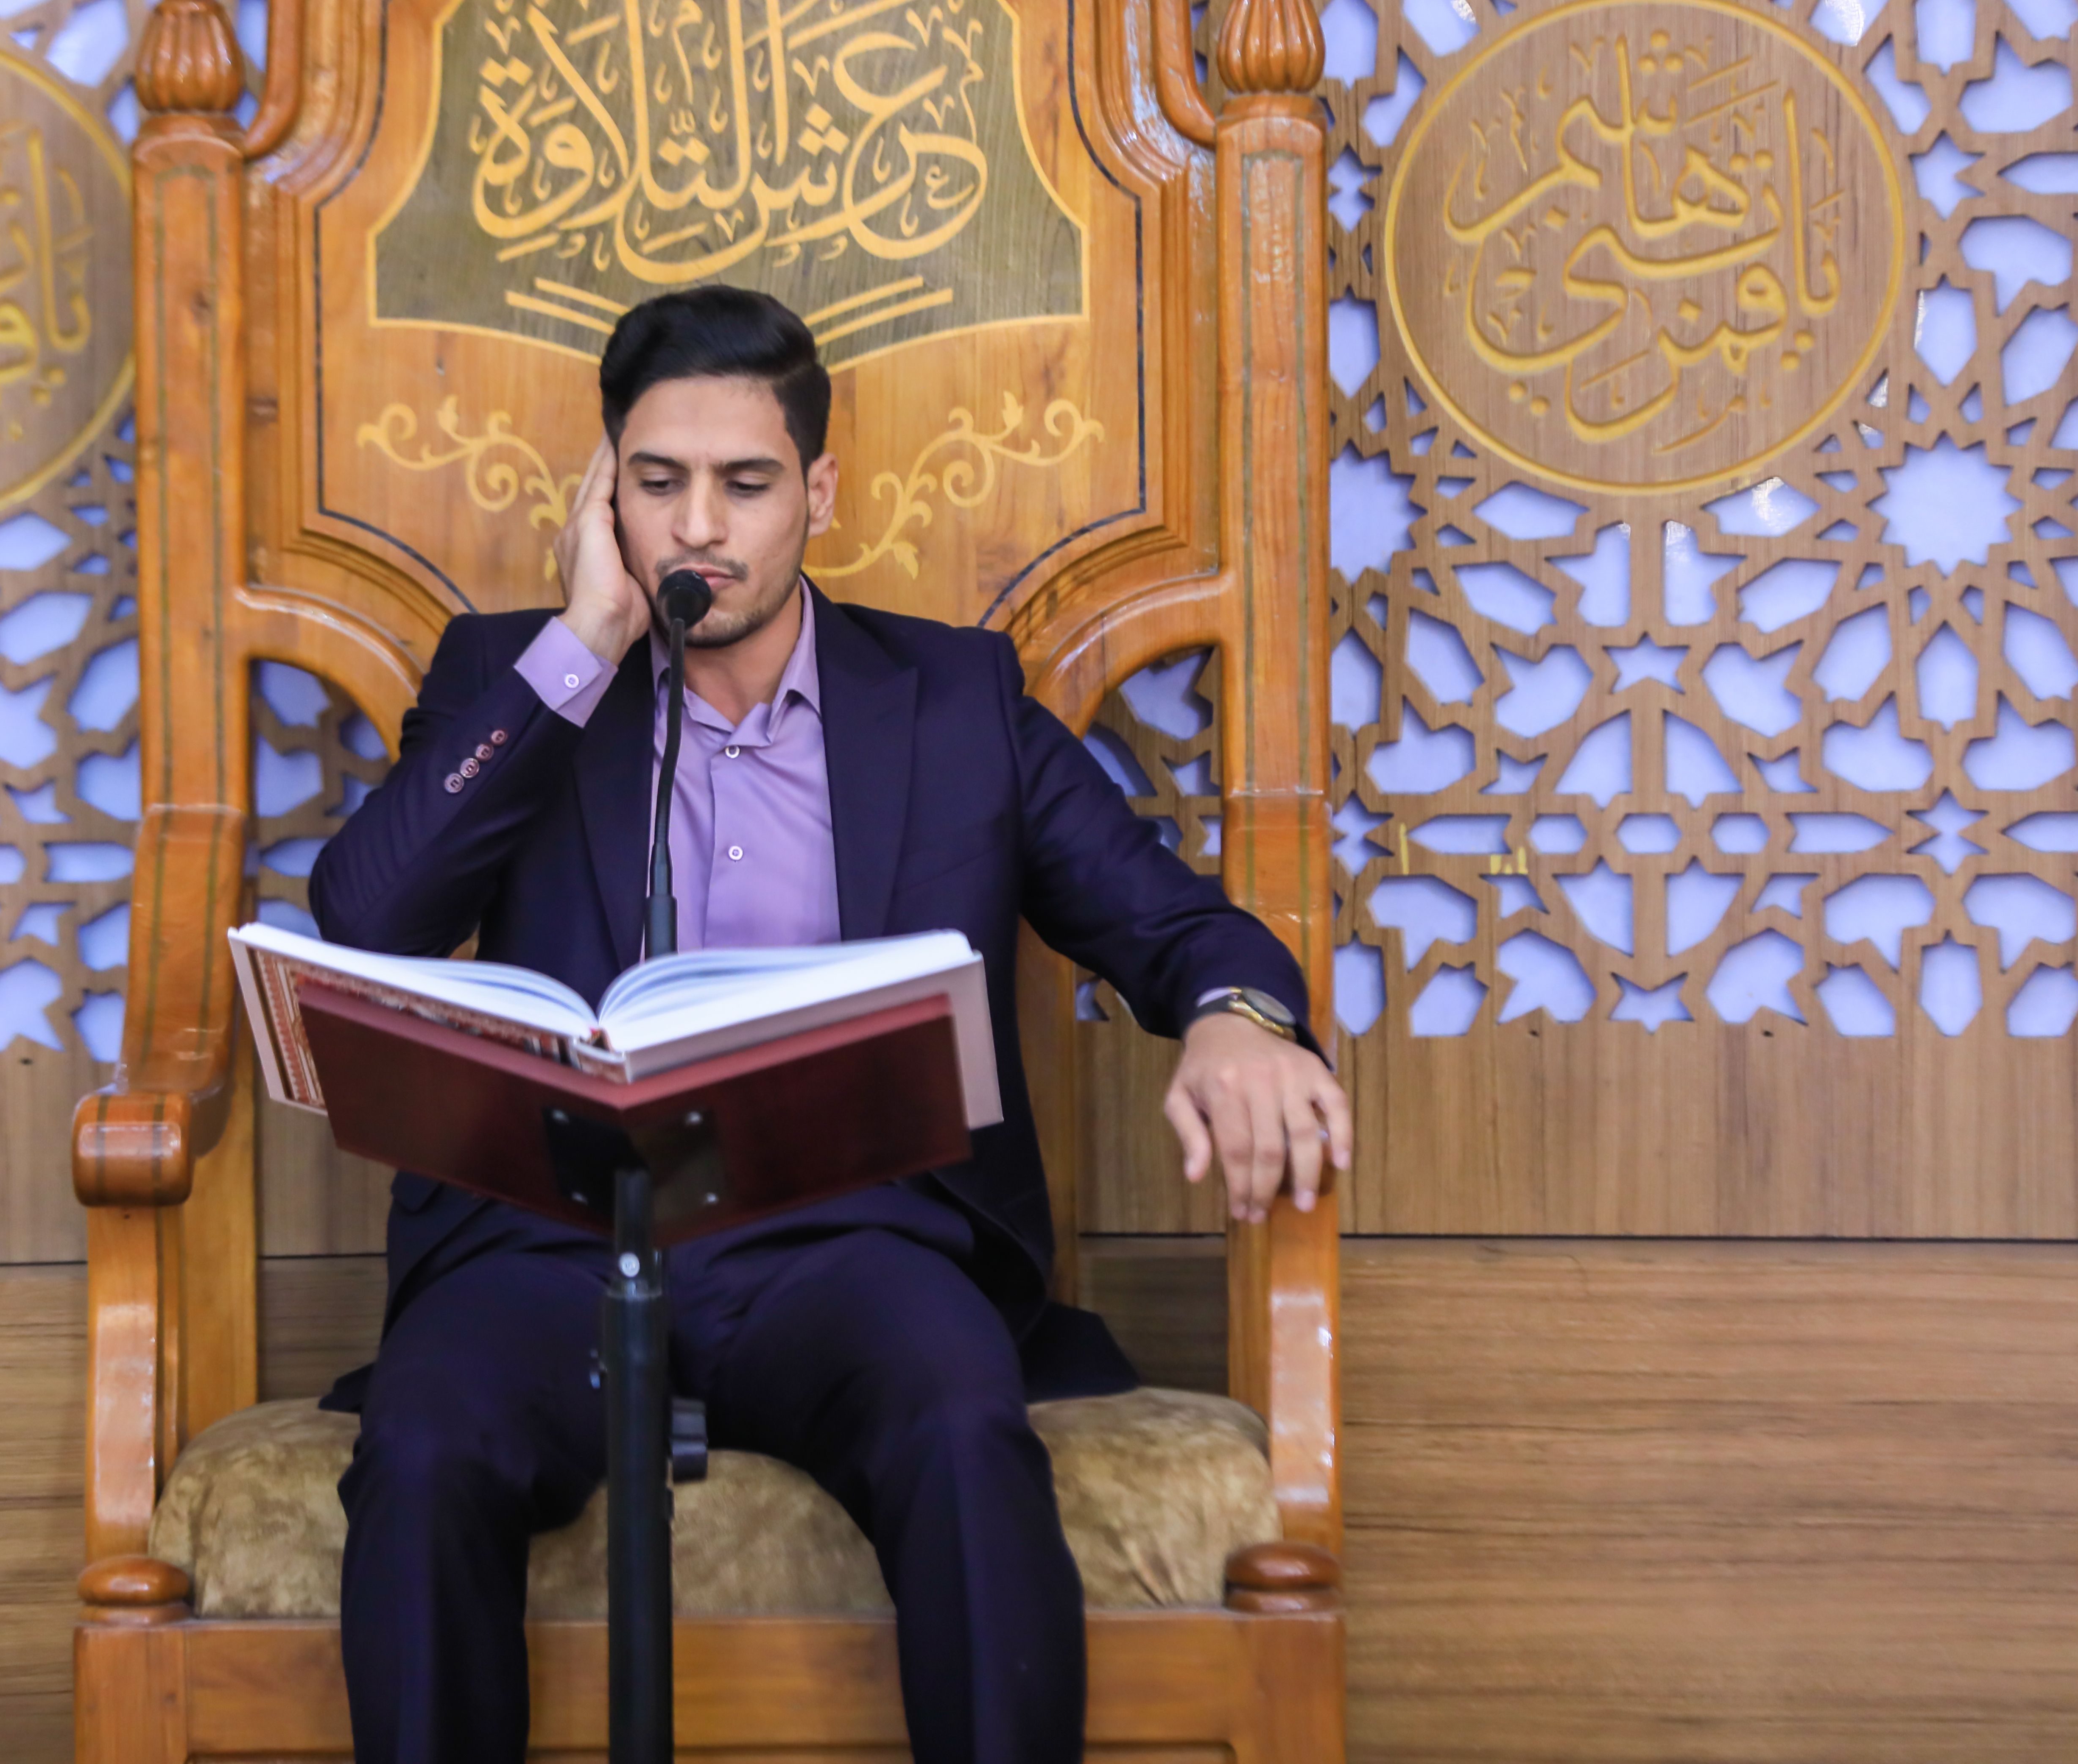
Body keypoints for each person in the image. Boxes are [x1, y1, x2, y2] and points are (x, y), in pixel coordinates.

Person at [309, 285, 1351, 1764]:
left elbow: (1179, 927)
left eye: (746, 484)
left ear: (823, 493)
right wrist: (584, 643)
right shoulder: (510, 678)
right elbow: (367, 922)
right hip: (553, 1249)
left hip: (852, 1247)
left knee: (960, 1424)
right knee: (422, 1448)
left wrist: (1240, 1020)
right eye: (657, 484)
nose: (698, 529)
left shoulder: (953, 701)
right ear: (604, 492)